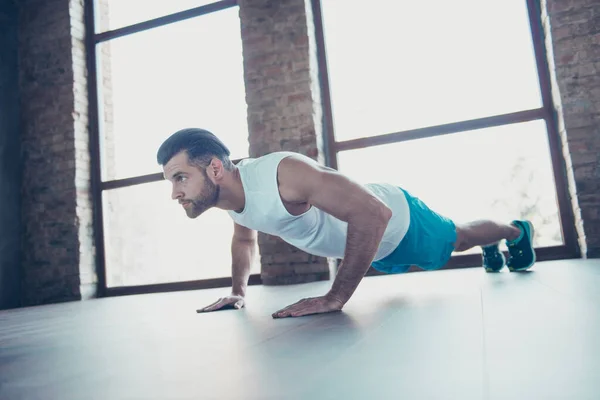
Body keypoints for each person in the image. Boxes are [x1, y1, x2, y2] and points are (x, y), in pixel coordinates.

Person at [156, 128, 536, 319]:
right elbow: (243, 239)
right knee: (453, 241)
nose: (175, 193)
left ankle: (515, 232)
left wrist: (335, 297)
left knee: (459, 237)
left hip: (394, 221)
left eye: (180, 178)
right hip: (367, 243)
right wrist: (239, 291)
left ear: (215, 169)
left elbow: (373, 214)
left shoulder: (284, 173)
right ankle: (496, 241)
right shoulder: (232, 200)